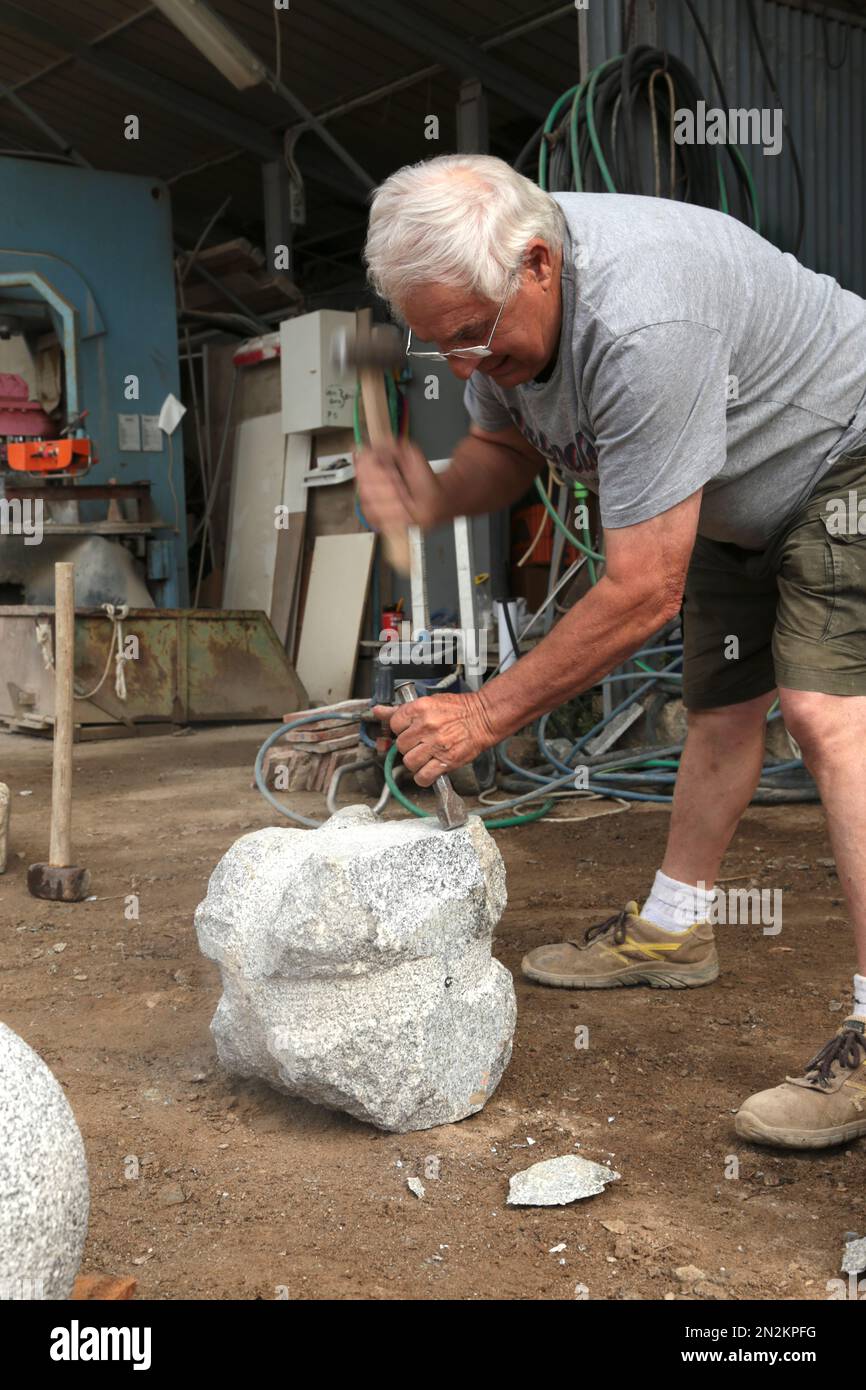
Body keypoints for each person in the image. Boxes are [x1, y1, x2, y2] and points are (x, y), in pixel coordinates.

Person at [356, 154, 866, 1150]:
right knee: (720, 709)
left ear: (537, 266)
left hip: (843, 452)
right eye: (439, 346)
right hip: (728, 488)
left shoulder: (642, 321)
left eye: (471, 337)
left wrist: (483, 711)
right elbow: (504, 450)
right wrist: (432, 493)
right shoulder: (497, 320)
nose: (462, 366)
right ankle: (674, 930)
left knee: (823, 717)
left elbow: (640, 590)